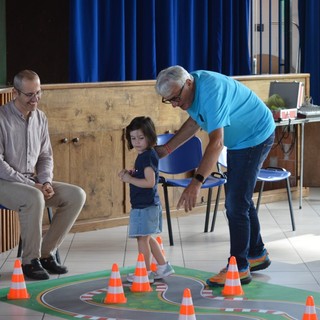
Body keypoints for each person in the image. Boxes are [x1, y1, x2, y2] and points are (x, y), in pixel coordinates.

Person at [155, 65, 275, 286]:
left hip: (255, 135)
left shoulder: (210, 91)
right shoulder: (190, 94)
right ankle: (256, 253)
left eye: (175, 98)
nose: (174, 105)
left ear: (188, 83)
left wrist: (196, 182)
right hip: (240, 141)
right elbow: (194, 122)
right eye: (169, 100)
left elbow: (216, 143)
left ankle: (238, 267)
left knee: (235, 203)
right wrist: (166, 149)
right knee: (239, 198)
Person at [0, 70, 86, 280]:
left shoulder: (41, 117)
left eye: (38, 93)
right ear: (15, 92)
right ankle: (30, 261)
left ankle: (46, 255)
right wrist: (31, 185)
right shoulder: (1, 117)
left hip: (32, 182)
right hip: (5, 181)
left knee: (76, 195)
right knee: (34, 196)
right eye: (29, 94)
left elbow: (46, 156)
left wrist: (45, 180)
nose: (35, 99)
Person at [118, 116, 174, 283]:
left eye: (141, 138)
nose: (137, 142)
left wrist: (129, 179)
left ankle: (146, 272)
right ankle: (163, 267)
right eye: (133, 138)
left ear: (150, 137)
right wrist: (134, 174)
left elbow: (150, 182)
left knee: (142, 238)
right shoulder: (148, 154)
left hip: (144, 206)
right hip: (149, 205)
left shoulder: (145, 157)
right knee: (147, 237)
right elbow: (147, 176)